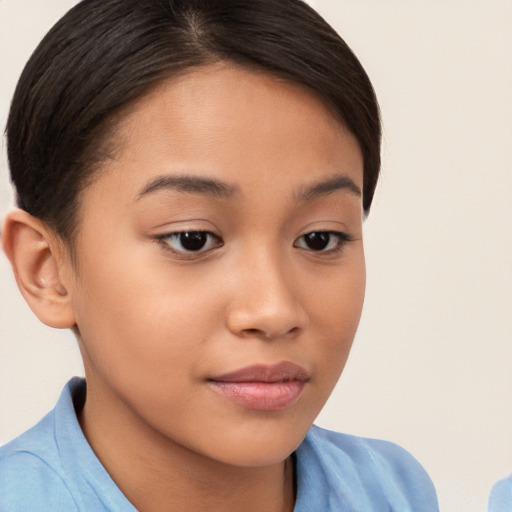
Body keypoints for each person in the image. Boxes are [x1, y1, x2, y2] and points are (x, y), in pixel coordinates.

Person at [0, 0, 438, 510]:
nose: (273, 311)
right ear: (47, 270)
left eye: (320, 238)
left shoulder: (393, 491)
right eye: (192, 238)